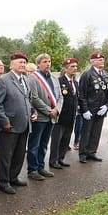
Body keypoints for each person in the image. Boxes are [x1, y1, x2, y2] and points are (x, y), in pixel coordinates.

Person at [0, 53, 36, 195]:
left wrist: (33, 112)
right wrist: (4, 121)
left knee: (19, 155)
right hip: (9, 126)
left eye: (24, 62)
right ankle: (4, 182)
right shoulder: (3, 80)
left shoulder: (26, 80)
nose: (22, 65)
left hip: (24, 124)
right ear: (11, 65)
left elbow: (28, 99)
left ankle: (13, 177)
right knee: (6, 156)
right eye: (19, 62)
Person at [26, 53, 62, 181]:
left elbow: (60, 97)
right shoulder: (33, 78)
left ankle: (41, 166)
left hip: (52, 117)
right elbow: (34, 98)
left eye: (49, 61)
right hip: (40, 117)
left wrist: (56, 110)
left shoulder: (54, 77)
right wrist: (48, 110)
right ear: (38, 64)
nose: (48, 64)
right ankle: (32, 169)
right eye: (45, 61)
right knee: (34, 144)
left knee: (44, 144)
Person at [78, 52, 108, 163]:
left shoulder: (106, 74)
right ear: (93, 62)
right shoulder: (87, 74)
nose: (102, 61)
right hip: (90, 108)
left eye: (103, 59)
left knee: (96, 132)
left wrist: (107, 106)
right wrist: (85, 109)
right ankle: (83, 153)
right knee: (86, 132)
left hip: (101, 109)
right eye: (99, 59)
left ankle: (92, 152)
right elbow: (81, 93)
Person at [49, 58, 79, 169]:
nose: (75, 68)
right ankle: (53, 160)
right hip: (60, 116)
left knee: (66, 140)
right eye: (72, 66)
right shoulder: (59, 81)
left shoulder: (75, 83)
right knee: (57, 140)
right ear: (66, 69)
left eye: (76, 66)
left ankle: (60, 158)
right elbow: (55, 98)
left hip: (71, 116)